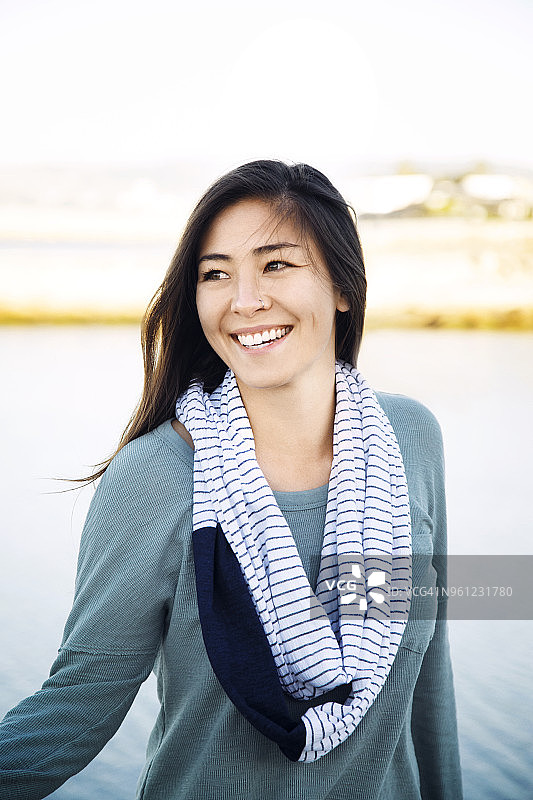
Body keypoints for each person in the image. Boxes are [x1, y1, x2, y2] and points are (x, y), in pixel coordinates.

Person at [0, 160, 463, 799]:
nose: (244, 300)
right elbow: (83, 697)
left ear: (342, 287)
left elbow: (429, 665)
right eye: (216, 274)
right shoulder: (157, 477)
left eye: (276, 265)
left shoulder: (411, 440)